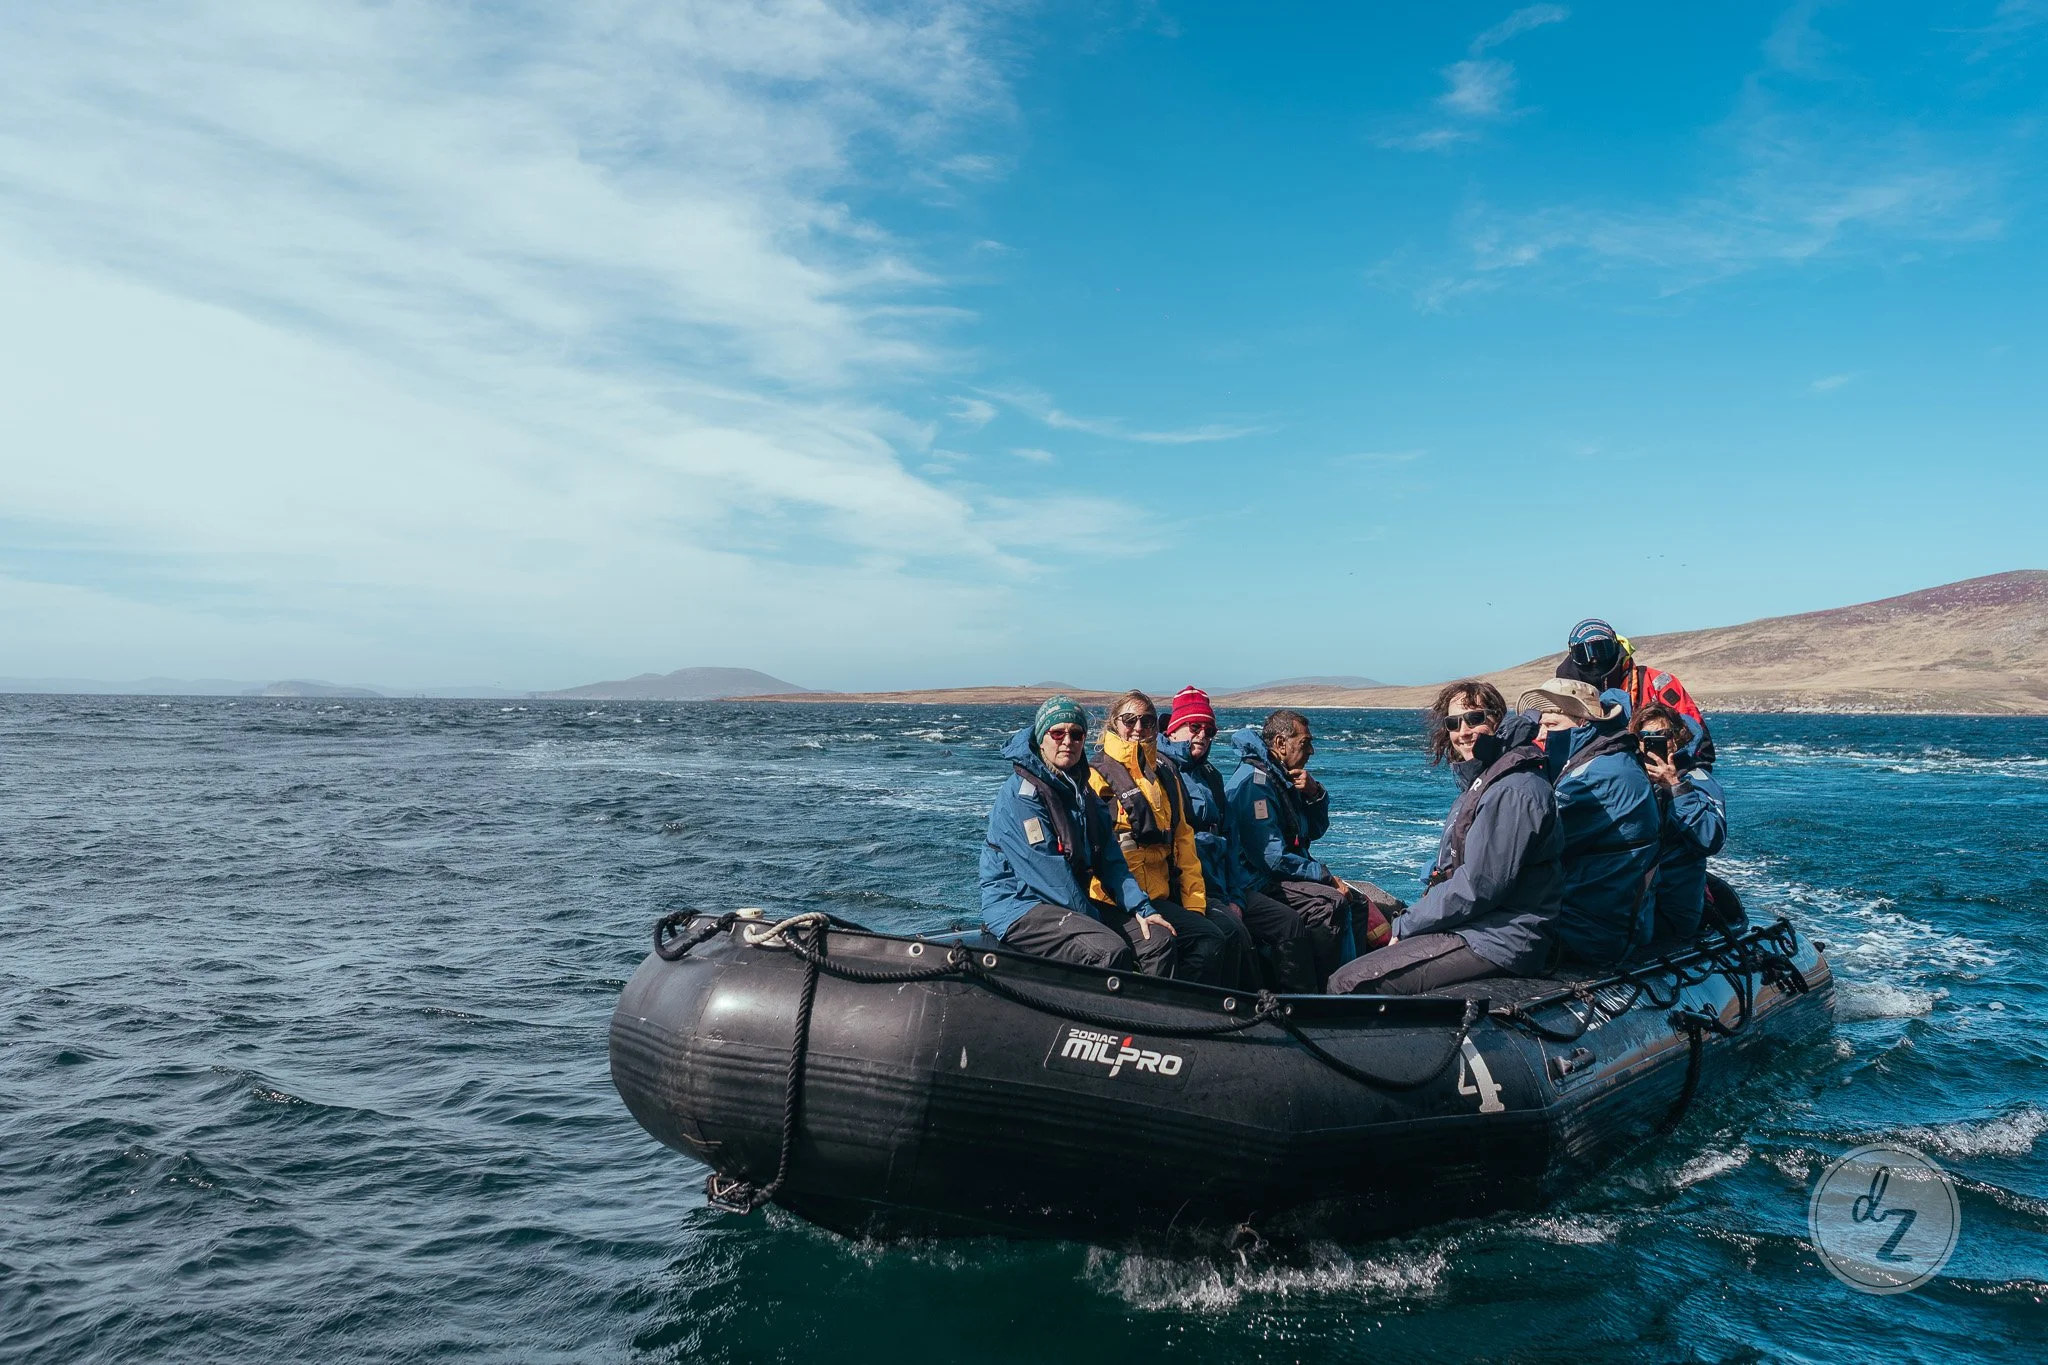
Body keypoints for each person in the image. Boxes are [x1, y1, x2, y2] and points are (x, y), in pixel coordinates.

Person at [1329, 682, 1563, 995]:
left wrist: (1407, 924)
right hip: (1478, 927)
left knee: (1349, 983)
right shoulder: (1486, 782)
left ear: (1497, 719)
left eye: (1474, 718)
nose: (1463, 731)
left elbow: (1481, 885)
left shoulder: (1511, 790)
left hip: (1502, 937)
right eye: (1453, 723)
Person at [978, 695, 1182, 975]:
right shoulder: (1022, 798)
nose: (1067, 741)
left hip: (1070, 904)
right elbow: (1050, 879)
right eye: (1057, 732)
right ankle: (1101, 1017)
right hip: (1020, 907)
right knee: (1108, 950)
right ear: (1041, 739)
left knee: (1157, 940)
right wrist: (1098, 921)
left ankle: (1153, 1015)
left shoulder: (1083, 793)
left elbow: (1112, 862)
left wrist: (1143, 909)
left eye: (1076, 734)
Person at [1225, 709, 1395, 987]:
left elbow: (1312, 831)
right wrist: (1324, 876)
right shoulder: (1256, 785)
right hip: (1256, 880)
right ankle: (1326, 989)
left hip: (1279, 872)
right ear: (1281, 744)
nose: (1311, 751)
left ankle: (1356, 983)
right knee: (1330, 904)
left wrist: (1315, 795)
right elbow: (1271, 858)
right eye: (1305, 743)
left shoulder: (1280, 778)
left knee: (1359, 902)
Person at [1157, 685, 1310, 991]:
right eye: (1195, 727)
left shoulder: (1211, 775)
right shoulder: (1161, 771)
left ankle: (1300, 1004)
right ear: (1173, 731)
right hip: (1189, 888)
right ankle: (1249, 1009)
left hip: (1225, 886)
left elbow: (1232, 841)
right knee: (1232, 932)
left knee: (1288, 923)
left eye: (1210, 729)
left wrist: (1236, 897)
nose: (1203, 735)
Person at [1084, 690, 1235, 985]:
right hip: (1110, 899)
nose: (1138, 728)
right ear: (1114, 723)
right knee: (1159, 942)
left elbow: (1184, 844)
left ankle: (1191, 1012)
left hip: (1158, 896)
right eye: (1130, 720)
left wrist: (1194, 907)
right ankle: (1154, 1016)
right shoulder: (1095, 777)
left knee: (1212, 938)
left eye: (1147, 721)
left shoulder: (1165, 777)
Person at [1520, 678, 1664, 967]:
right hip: (1600, 920)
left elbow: (1524, 844)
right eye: (1541, 725)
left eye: (1552, 726)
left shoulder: (1597, 775)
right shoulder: (1605, 760)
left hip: (1586, 930)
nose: (1541, 734)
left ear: (1583, 724)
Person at [1555, 619, 1716, 767]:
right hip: (1587, 777)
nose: (1594, 659)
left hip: (1658, 774)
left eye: (1601, 649)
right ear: (1573, 656)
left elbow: (1700, 741)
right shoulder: (1560, 694)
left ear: (1615, 647)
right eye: (1584, 653)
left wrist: (1677, 775)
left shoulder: (1658, 683)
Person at [1632, 703, 1727, 949]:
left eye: (1662, 736)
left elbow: (1710, 838)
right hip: (1636, 905)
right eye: (1646, 737)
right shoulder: (1632, 779)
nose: (1653, 742)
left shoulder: (1698, 781)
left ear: (1677, 738)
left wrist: (1675, 787)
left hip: (1673, 908)